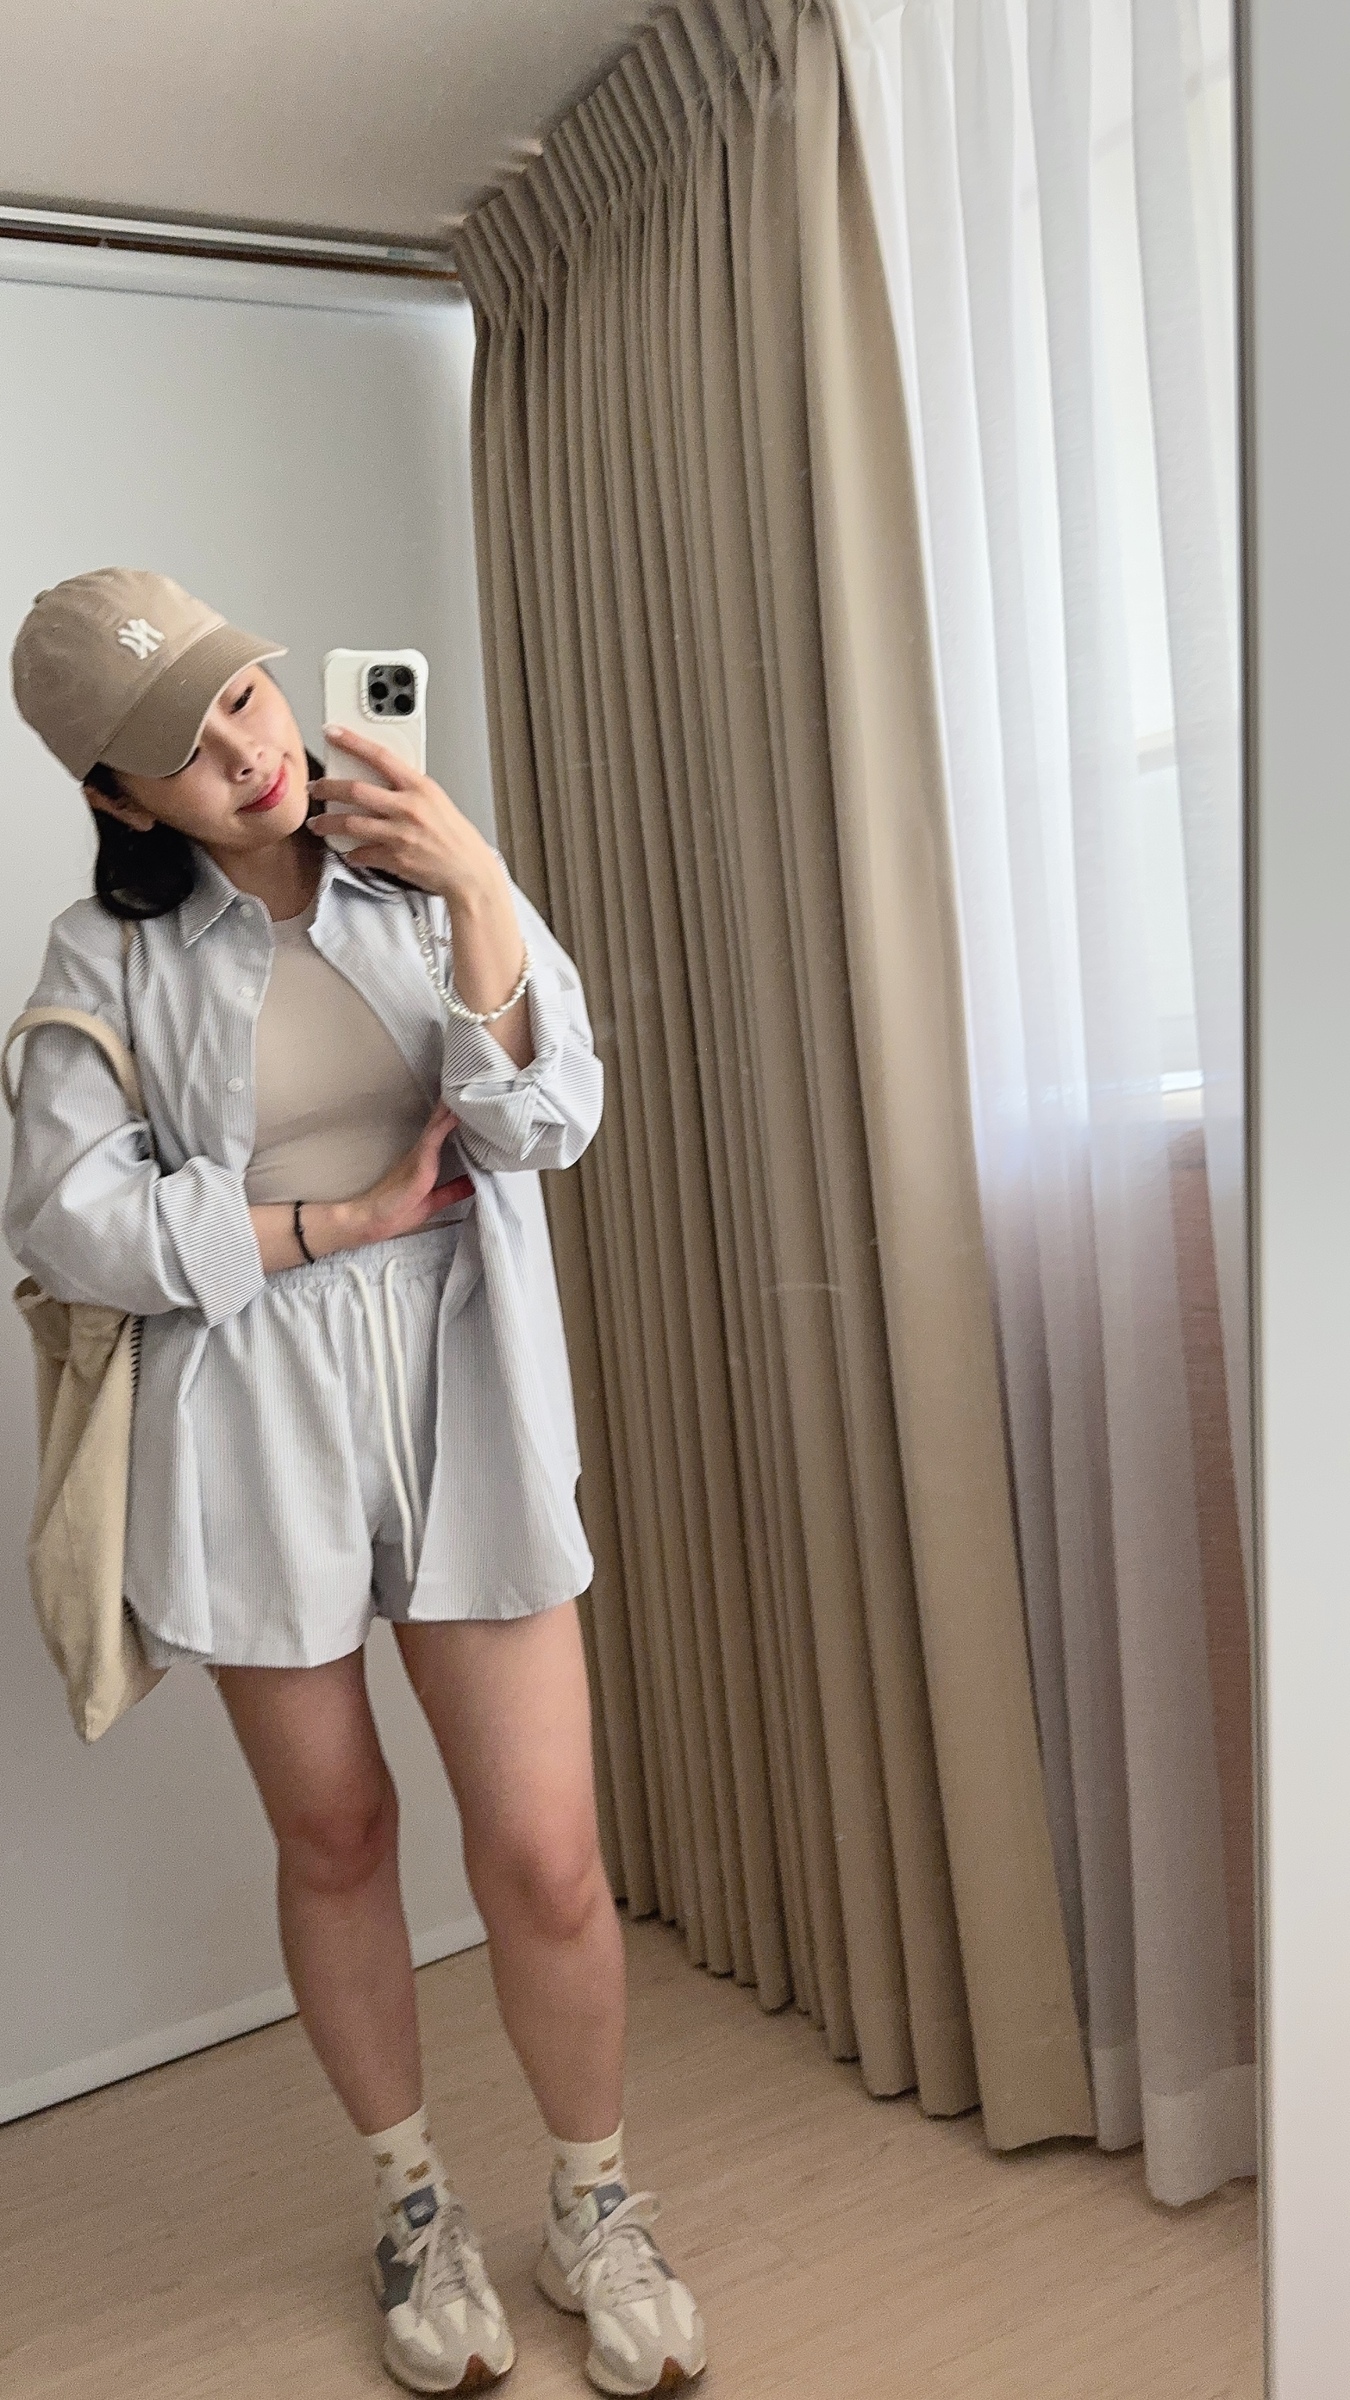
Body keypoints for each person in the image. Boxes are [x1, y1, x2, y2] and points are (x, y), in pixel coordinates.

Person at [4, 569, 706, 2397]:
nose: (240, 752)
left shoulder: (421, 868)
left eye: (239, 697)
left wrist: (470, 884)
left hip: (464, 1371)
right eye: (178, 747)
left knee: (544, 1850)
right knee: (336, 1836)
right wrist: (327, 1225)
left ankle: (594, 2202)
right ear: (115, 796)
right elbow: (67, 1223)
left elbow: (550, 1121)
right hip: (250, 1404)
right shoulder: (105, 960)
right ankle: (412, 2205)